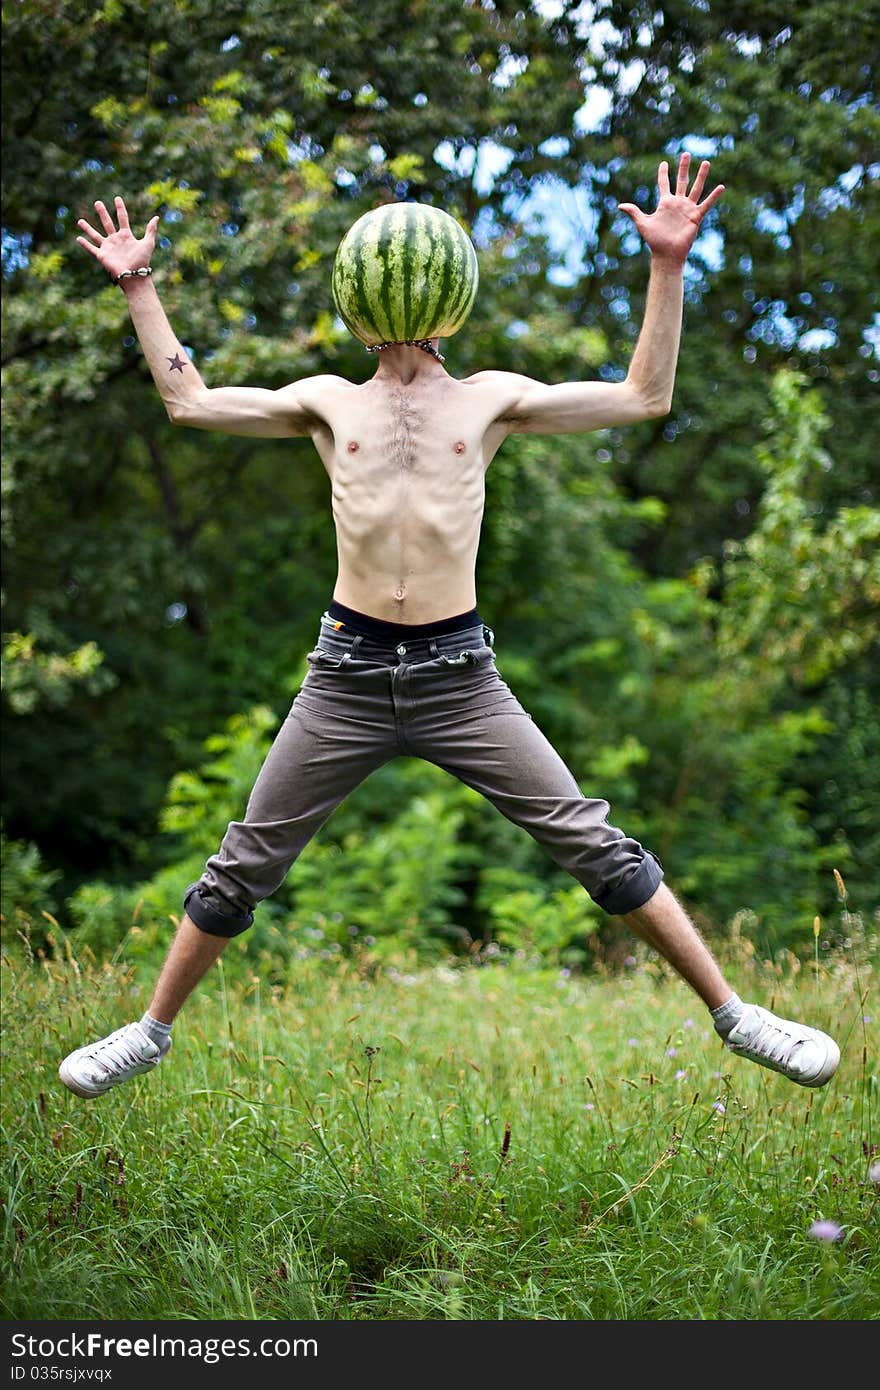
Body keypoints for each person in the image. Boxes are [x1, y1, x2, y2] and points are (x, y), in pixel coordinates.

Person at [59, 154, 840, 1100]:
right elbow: (188, 400)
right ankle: (148, 1032)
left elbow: (645, 397)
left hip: (458, 676)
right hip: (344, 675)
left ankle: (736, 1014)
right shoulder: (325, 403)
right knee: (244, 862)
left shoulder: (489, 399)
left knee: (595, 844)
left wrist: (667, 265)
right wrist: (139, 284)